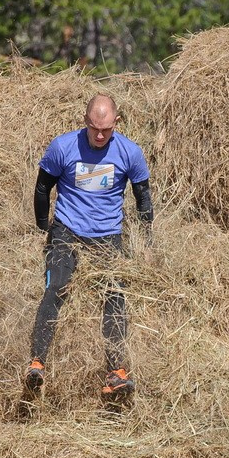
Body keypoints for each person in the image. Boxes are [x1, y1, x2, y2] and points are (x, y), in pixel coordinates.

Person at [24, 93, 154, 401]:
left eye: (106, 130)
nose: (99, 135)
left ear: (116, 123)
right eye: (94, 128)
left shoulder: (130, 153)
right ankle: (37, 364)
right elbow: (43, 186)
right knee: (56, 286)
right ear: (85, 121)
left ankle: (116, 372)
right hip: (67, 231)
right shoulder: (63, 147)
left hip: (108, 235)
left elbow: (143, 196)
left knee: (115, 292)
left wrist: (147, 239)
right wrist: (44, 226)